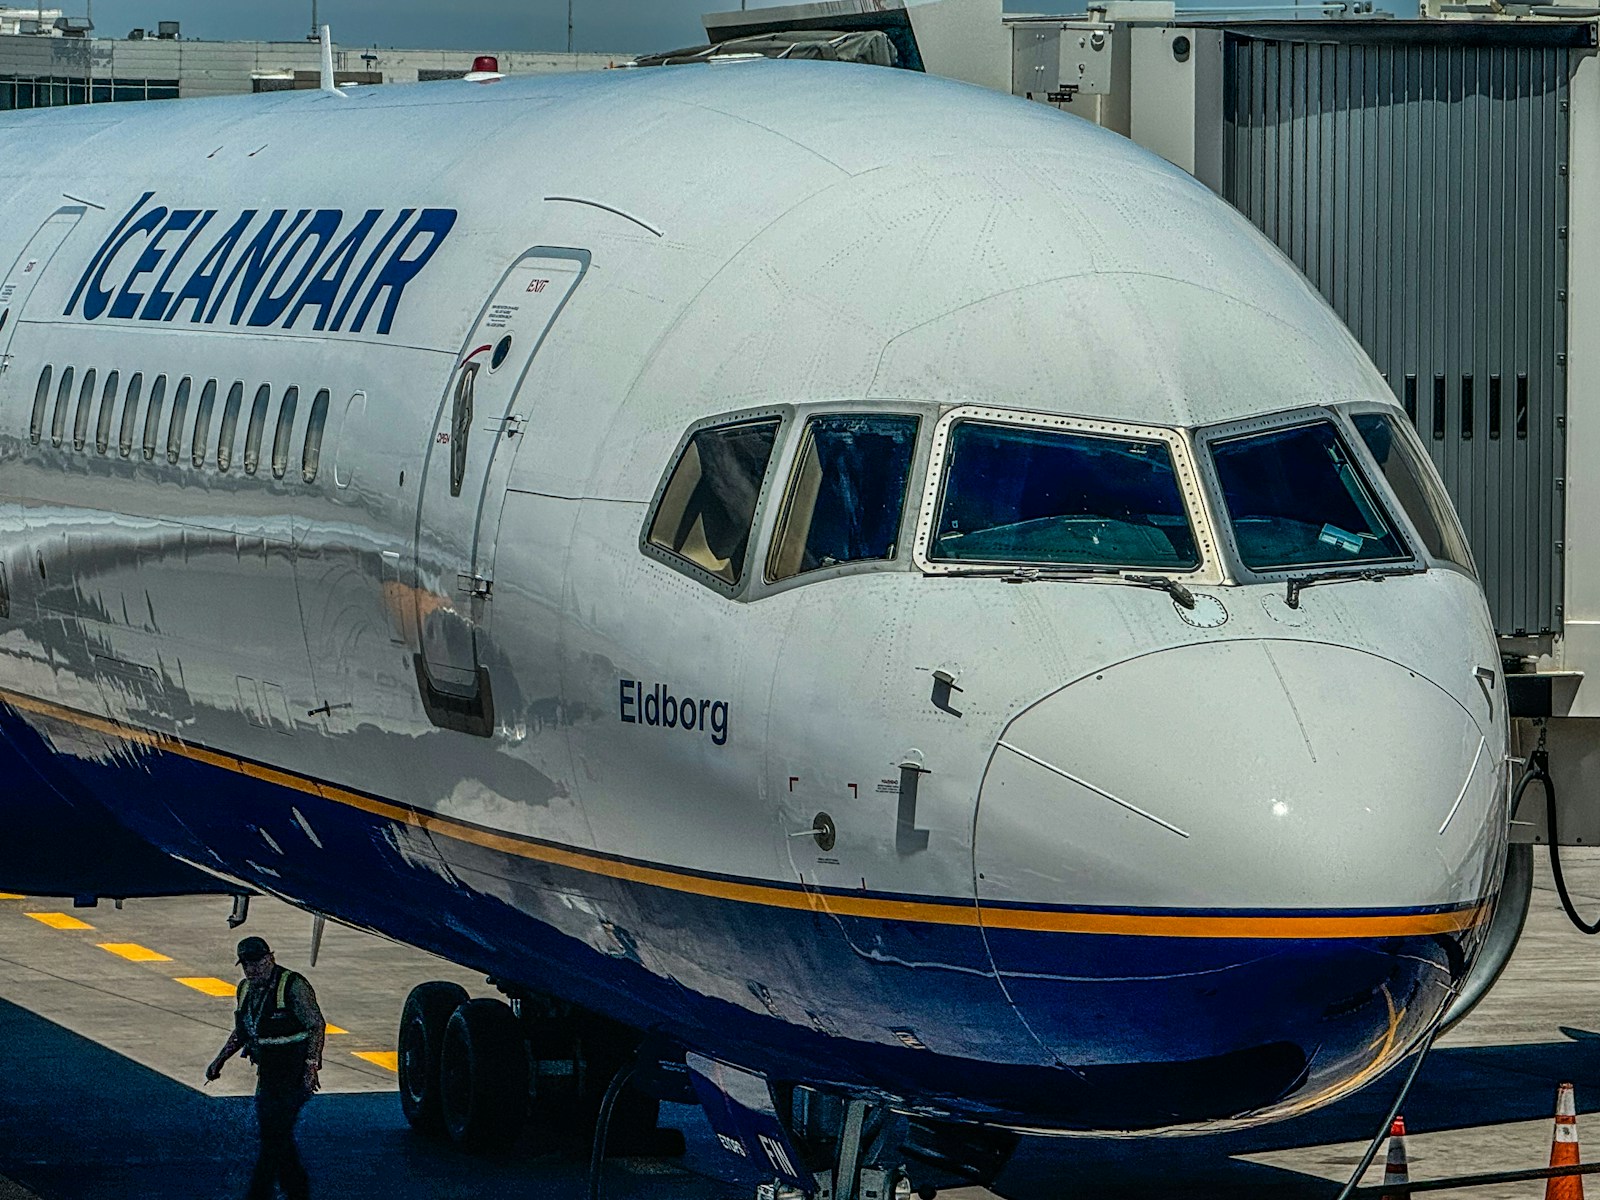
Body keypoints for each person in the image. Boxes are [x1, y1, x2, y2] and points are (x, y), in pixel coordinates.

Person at [205, 936, 324, 1200]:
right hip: (268, 1073)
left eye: (257, 962)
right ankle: (296, 1190)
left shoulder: (293, 986)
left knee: (274, 1136)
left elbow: (316, 1025)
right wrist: (219, 1060)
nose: (252, 969)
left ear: (270, 958)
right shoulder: (245, 989)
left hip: (293, 1072)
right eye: (247, 964)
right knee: (275, 1134)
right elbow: (243, 1031)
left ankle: (260, 1194)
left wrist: (310, 1067)